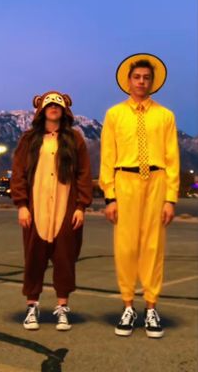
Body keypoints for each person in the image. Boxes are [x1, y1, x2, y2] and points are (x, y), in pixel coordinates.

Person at [99, 53, 180, 338]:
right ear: (128, 81)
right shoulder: (114, 115)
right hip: (125, 181)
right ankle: (128, 305)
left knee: (153, 247)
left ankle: (151, 307)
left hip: (157, 180)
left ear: (153, 82)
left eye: (146, 77)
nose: (141, 82)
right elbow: (108, 157)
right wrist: (110, 196)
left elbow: (172, 158)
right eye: (137, 77)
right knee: (126, 247)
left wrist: (171, 198)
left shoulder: (165, 116)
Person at [11, 91, 92, 331]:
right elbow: (18, 173)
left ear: (64, 110)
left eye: (58, 105)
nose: (54, 108)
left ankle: (62, 308)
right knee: (34, 258)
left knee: (65, 258)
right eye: (50, 105)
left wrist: (81, 206)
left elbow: (84, 174)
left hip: (65, 207)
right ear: (42, 110)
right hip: (36, 207)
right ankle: (32, 306)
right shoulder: (29, 139)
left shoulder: (74, 139)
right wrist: (22, 205)